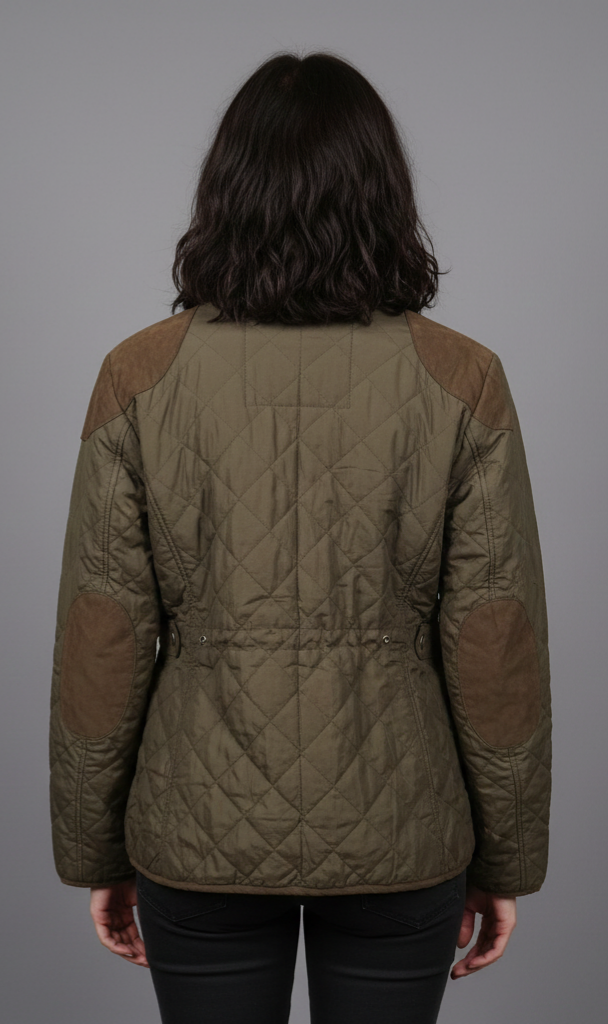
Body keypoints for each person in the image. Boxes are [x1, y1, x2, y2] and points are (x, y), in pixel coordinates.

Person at [48, 50, 552, 1024]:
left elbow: (102, 637)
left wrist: (97, 850)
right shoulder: (462, 379)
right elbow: (495, 645)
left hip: (195, 829)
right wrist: (505, 860)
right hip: (401, 829)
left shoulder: (138, 376)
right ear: (383, 195)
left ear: (225, 193)